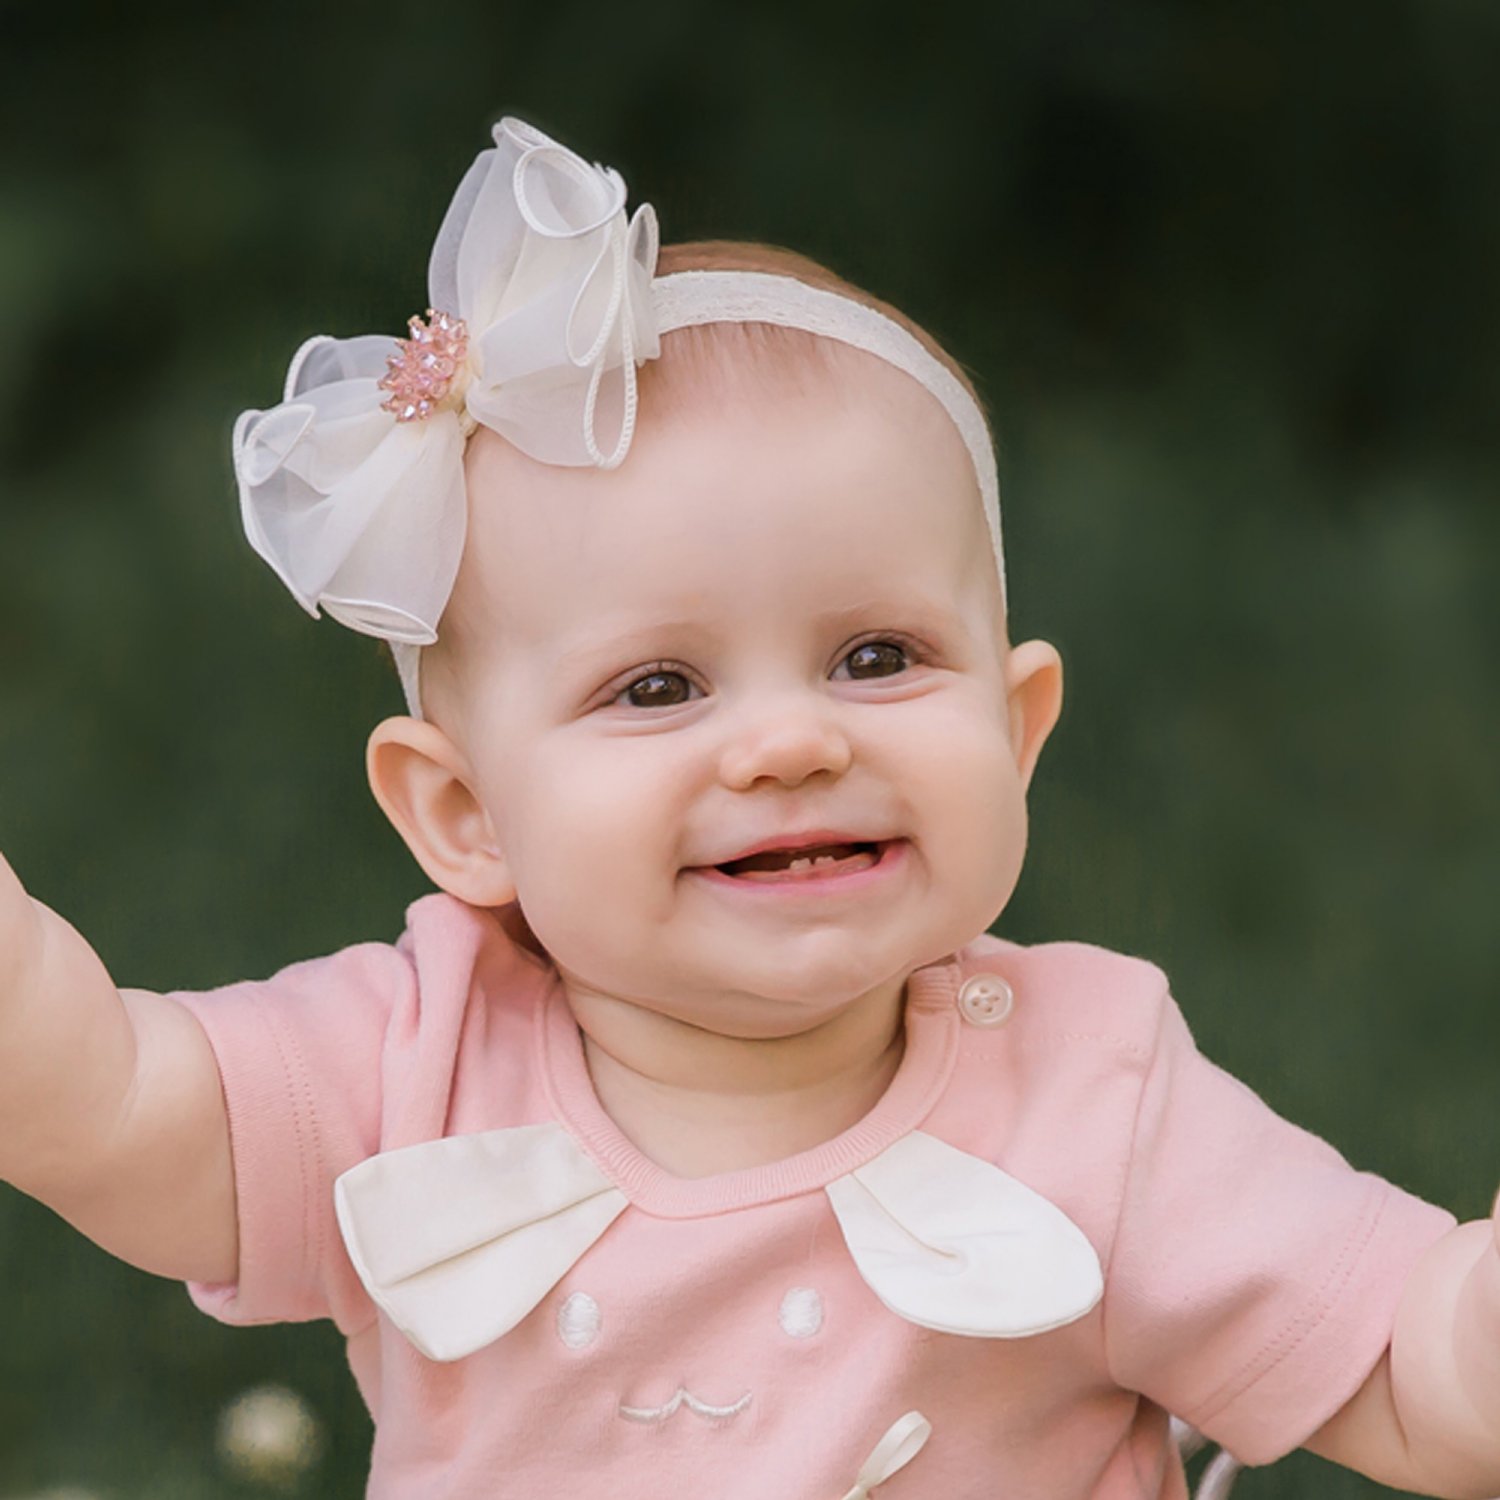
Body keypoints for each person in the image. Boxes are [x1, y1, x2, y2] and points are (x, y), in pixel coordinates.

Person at [1, 116, 1496, 1500]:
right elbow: (100, 1103)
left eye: (877, 657)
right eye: (657, 689)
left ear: (1017, 725)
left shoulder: (1091, 1103)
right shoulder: (414, 1067)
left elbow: (1421, 1375)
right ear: (464, 815)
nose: (788, 741)